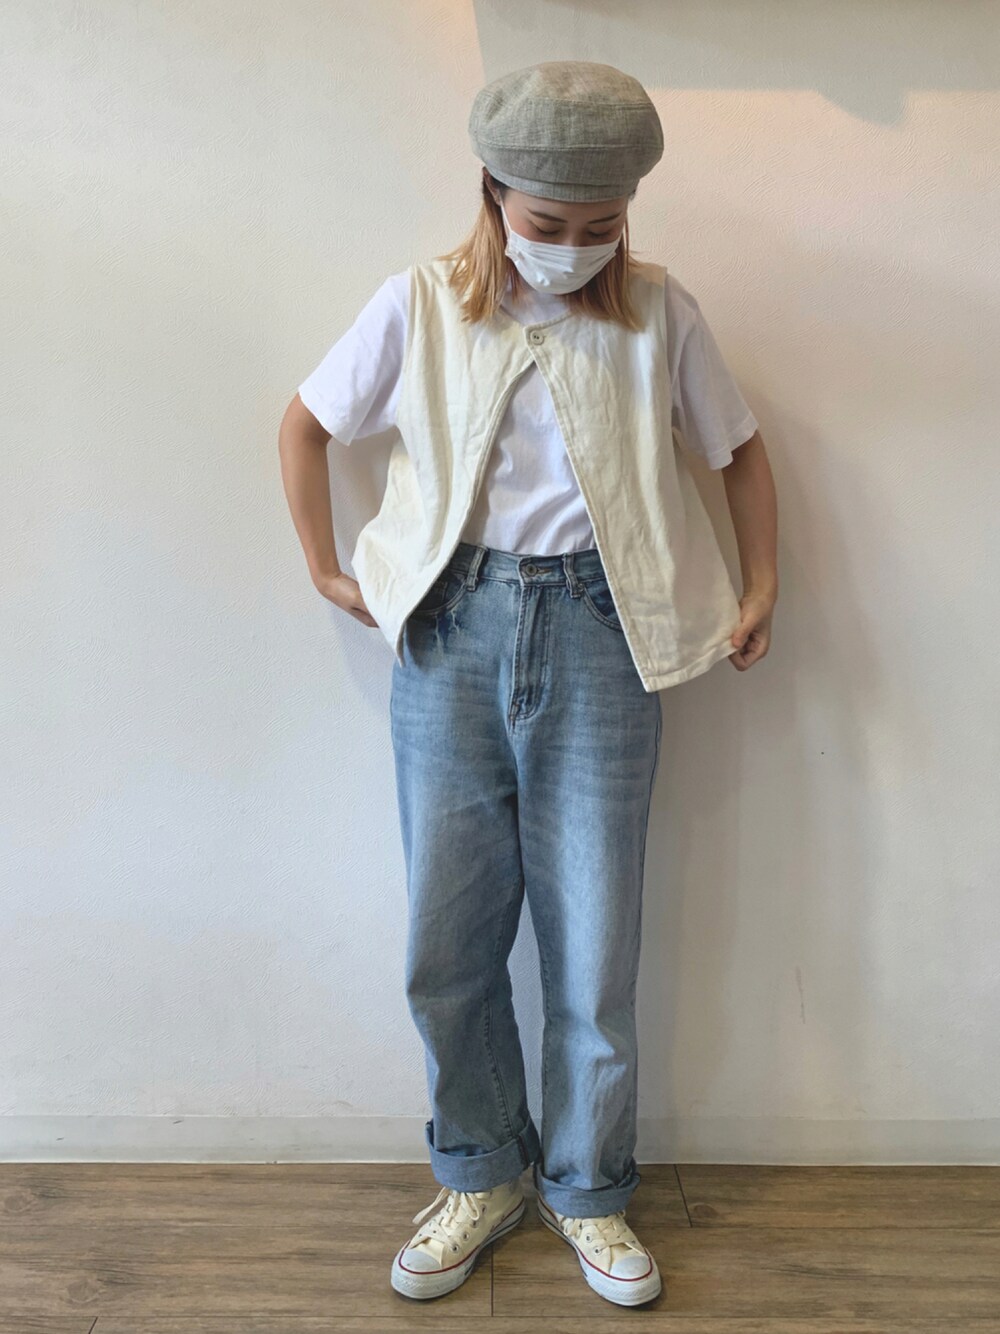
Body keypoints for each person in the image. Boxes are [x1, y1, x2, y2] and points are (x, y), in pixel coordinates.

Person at [279, 60, 778, 1310]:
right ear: (492, 192)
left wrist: (761, 580)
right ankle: (479, 1171)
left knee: (593, 939)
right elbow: (307, 423)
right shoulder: (418, 303)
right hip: (448, 631)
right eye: (549, 220)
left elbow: (737, 448)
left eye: (601, 223)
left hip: (606, 633)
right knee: (445, 939)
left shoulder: (657, 313)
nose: (573, 245)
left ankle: (589, 1187)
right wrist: (326, 567)